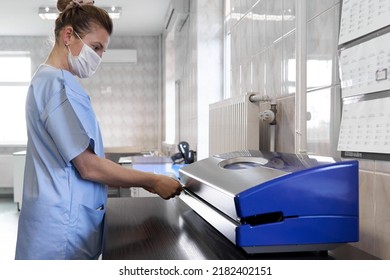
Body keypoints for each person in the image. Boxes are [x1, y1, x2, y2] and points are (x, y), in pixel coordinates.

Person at [15, 0, 182, 260]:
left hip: (61, 218)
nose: (99, 57)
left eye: (102, 51)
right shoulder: (55, 84)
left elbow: (81, 156)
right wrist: (153, 181)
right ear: (68, 35)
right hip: (62, 229)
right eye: (96, 47)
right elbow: (88, 166)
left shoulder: (54, 82)